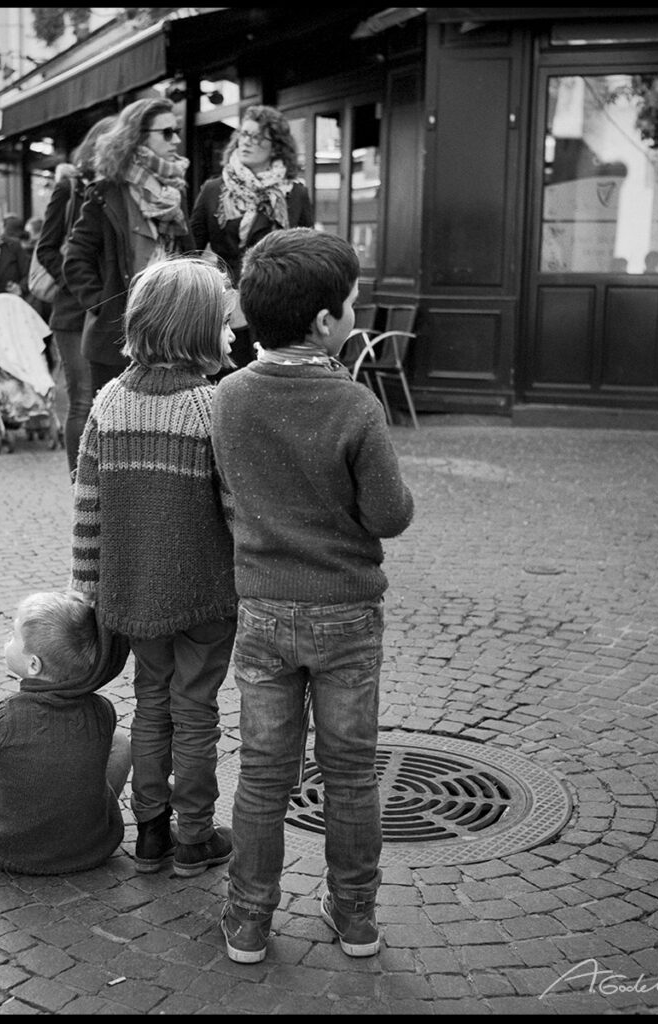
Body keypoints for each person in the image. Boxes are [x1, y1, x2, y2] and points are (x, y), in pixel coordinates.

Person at [210, 228, 415, 965]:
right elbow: (390, 515)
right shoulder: (355, 405)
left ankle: (248, 920)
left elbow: (228, 491)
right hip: (347, 615)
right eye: (353, 299)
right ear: (326, 321)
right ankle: (355, 915)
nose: (358, 306)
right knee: (351, 773)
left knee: (264, 774)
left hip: (263, 612)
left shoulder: (229, 398)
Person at [70, 255, 237, 878]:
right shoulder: (209, 407)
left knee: (150, 703)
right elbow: (235, 510)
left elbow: (87, 504)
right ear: (196, 329)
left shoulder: (109, 401)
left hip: (134, 594)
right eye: (224, 322)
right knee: (196, 710)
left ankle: (149, 835)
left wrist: (85, 587)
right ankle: (195, 836)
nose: (235, 333)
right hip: (205, 596)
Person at [0, 590, 132, 875]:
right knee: (120, 743)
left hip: (11, 848)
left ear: (33, 665)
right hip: (93, 847)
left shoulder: (2, 717)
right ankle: (83, 813)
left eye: (12, 636)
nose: (6, 641)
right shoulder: (102, 710)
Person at [62, 98, 195, 399]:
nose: (176, 140)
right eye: (167, 132)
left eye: (176, 132)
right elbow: (75, 258)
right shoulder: (106, 192)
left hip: (172, 329)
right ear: (138, 136)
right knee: (116, 433)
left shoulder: (174, 192)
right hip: (117, 337)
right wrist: (103, 303)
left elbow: (189, 254)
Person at [190, 105, 313, 379]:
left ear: (277, 147)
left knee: (271, 384)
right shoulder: (214, 190)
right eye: (244, 134)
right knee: (227, 381)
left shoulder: (295, 193)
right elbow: (190, 251)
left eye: (258, 137)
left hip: (279, 305)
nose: (247, 142)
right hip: (228, 309)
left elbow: (307, 253)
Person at [35, 116, 115, 481]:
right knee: (82, 398)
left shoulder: (118, 189)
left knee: (106, 396)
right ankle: (79, 484)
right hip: (71, 312)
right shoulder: (69, 188)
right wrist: (75, 280)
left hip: (107, 306)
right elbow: (47, 248)